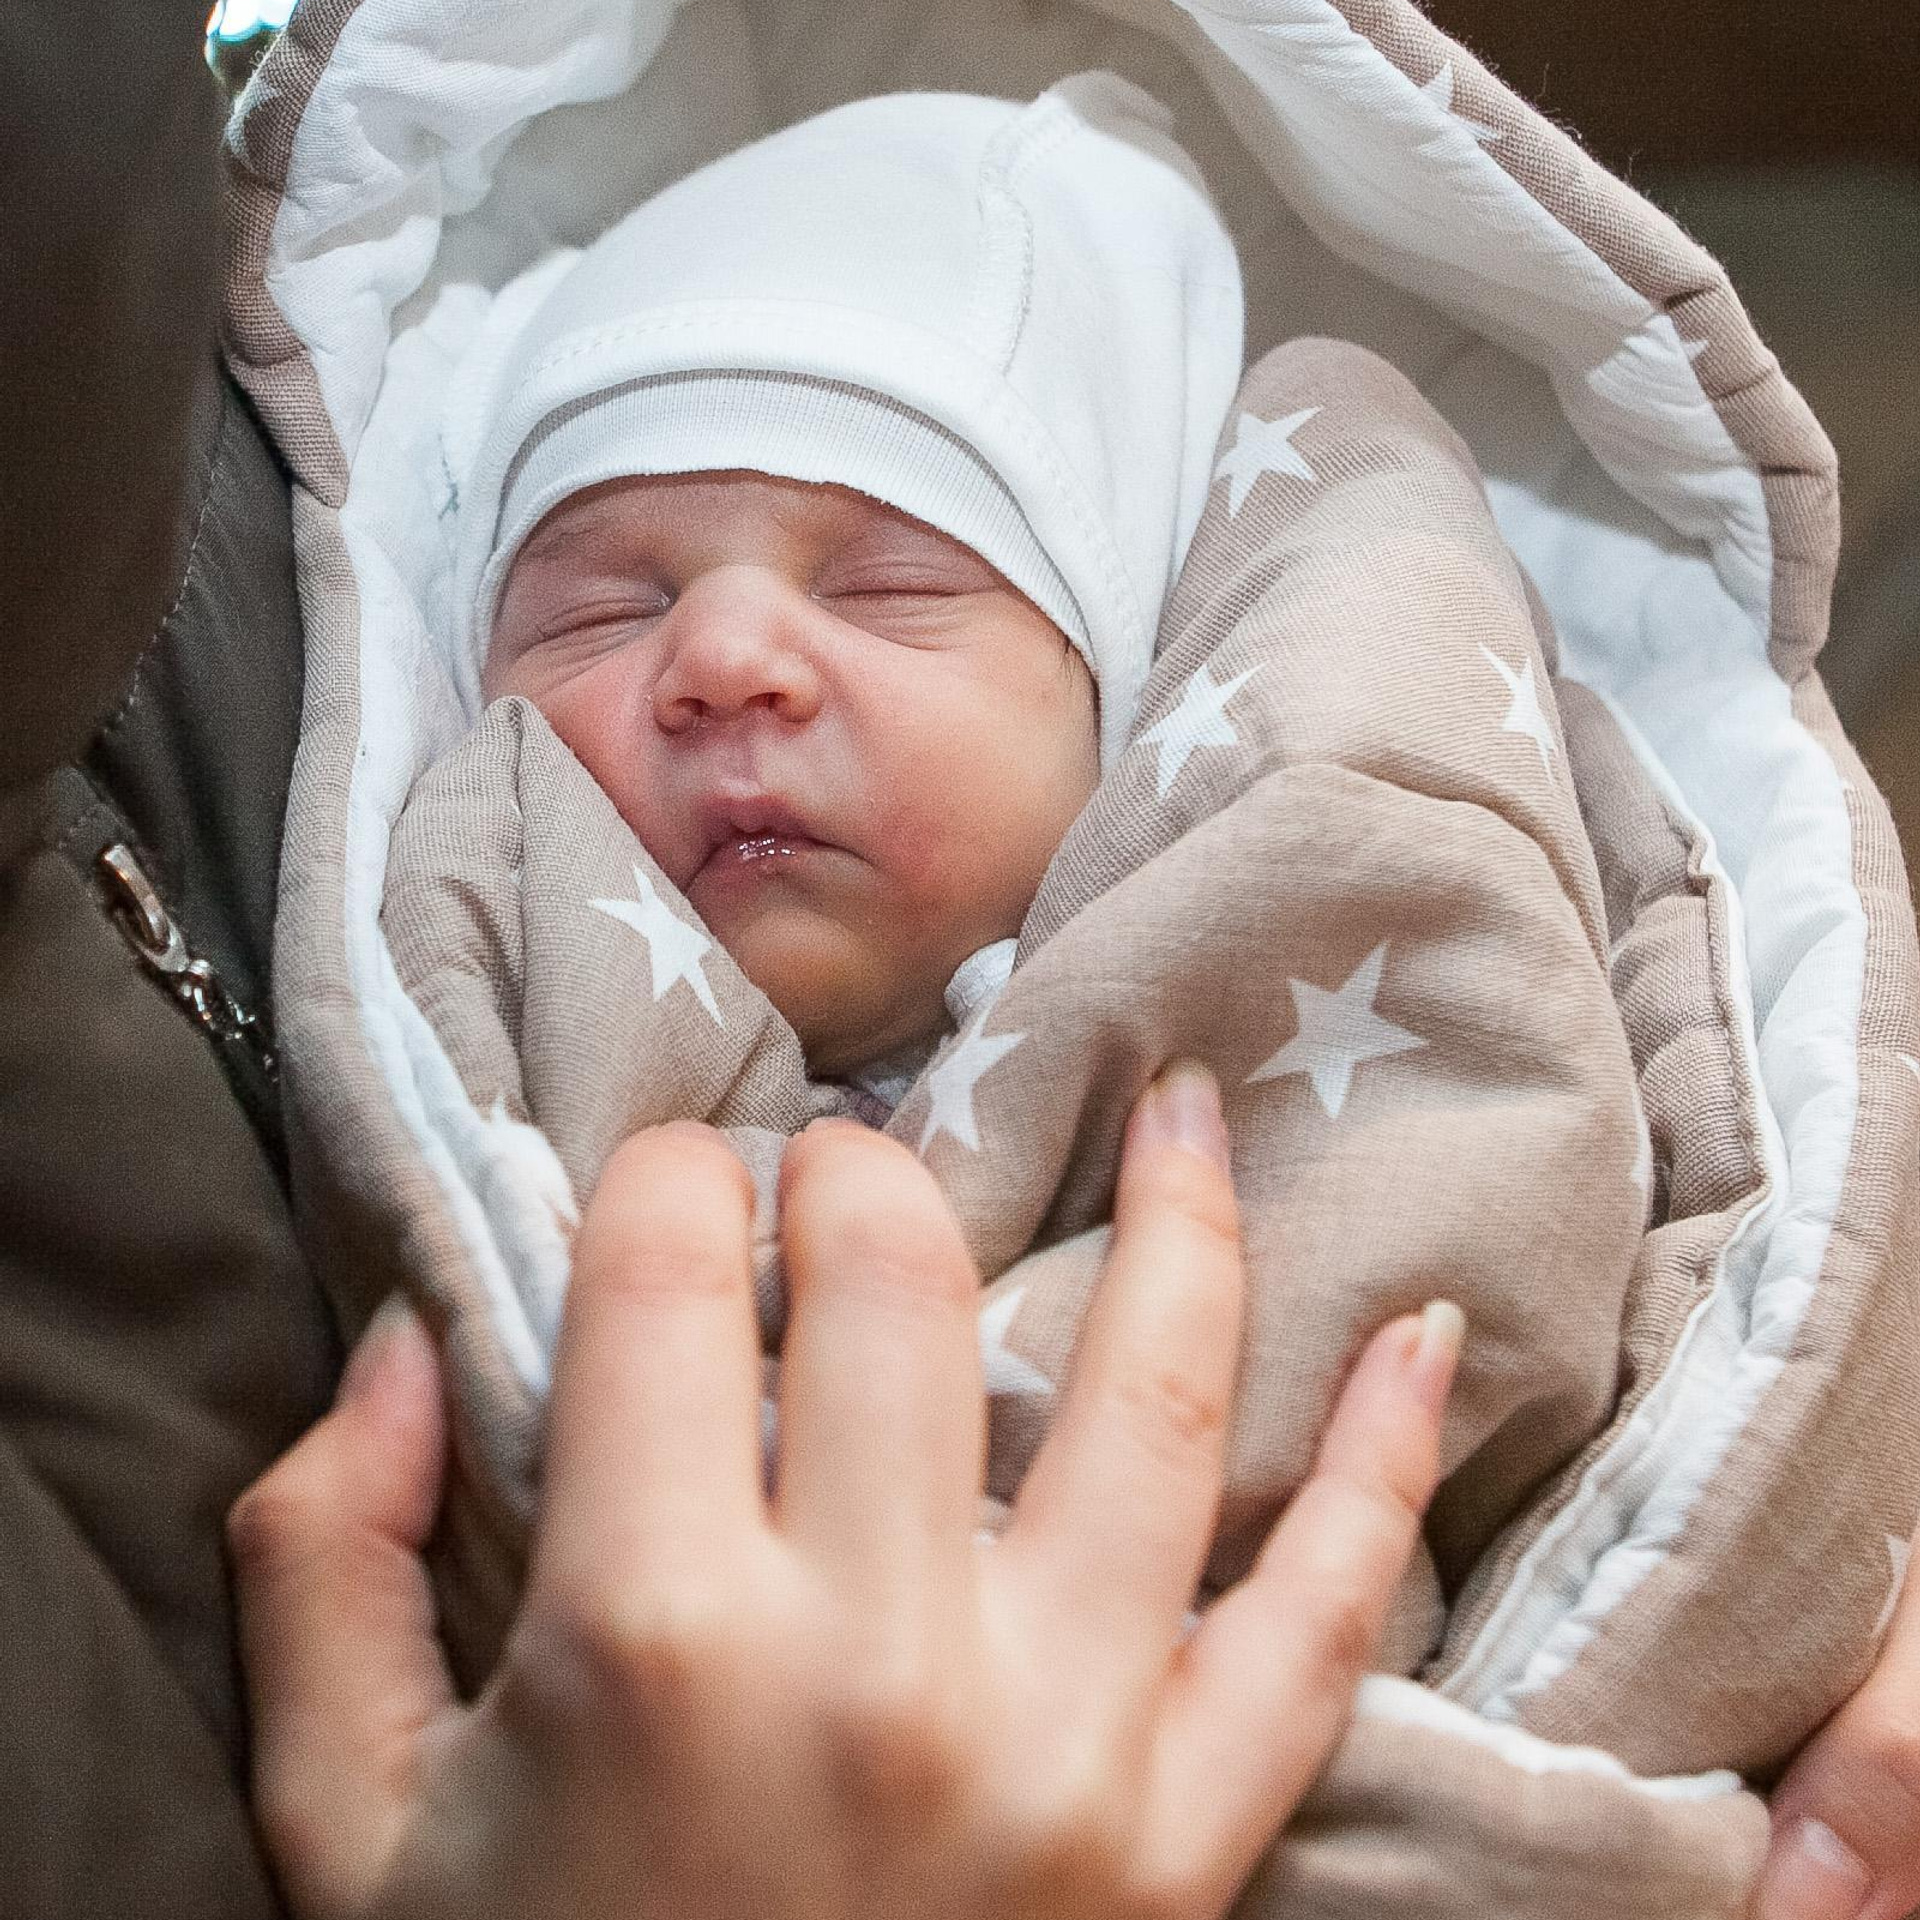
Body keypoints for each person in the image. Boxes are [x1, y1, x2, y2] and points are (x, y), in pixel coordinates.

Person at [3, 5, 1917, 1915]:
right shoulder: (486, 997)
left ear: (1140, 694)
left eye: (893, 584)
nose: (724, 655)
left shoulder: (1265, 913)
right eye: (602, 607)